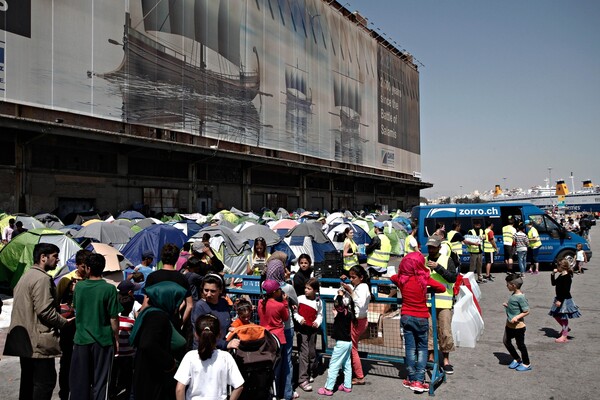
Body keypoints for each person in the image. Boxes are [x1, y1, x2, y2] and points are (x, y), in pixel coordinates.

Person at [3, 243, 71, 400]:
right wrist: (64, 322)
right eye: (55, 256)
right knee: (44, 382)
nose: (57, 260)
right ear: (43, 257)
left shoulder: (27, 275)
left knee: (28, 382)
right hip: (38, 341)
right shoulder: (42, 279)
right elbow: (45, 310)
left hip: (26, 341)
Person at [390, 252, 446, 393]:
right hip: (421, 317)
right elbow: (442, 288)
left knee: (410, 349)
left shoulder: (401, 279)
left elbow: (392, 277)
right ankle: (419, 380)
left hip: (406, 316)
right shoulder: (423, 278)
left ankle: (410, 377)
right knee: (422, 349)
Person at [69, 253, 121, 400]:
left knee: (80, 382)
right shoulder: (109, 289)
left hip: (81, 340)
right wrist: (116, 338)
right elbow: (113, 317)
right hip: (103, 341)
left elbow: (76, 309)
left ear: (88, 268)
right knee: (101, 382)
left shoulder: (79, 287)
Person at [130, 280, 188, 400]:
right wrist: (169, 363)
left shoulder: (151, 313)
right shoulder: (157, 317)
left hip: (148, 375)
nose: (178, 304)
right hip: (153, 377)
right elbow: (148, 344)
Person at [175, 315, 244, 400]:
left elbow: (179, 389)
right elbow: (239, 386)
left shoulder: (190, 357)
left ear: (196, 335)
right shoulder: (226, 357)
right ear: (219, 334)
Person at [56, 249, 92, 400]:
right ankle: (64, 392)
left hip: (86, 327)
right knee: (67, 361)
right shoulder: (67, 280)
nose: (86, 270)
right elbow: (56, 302)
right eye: (84, 267)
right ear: (77, 265)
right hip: (69, 327)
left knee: (84, 361)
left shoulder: (92, 278)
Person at [266, 258, 299, 400]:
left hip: (270, 330)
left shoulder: (265, 287)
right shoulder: (287, 288)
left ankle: (273, 391)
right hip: (286, 328)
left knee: (274, 361)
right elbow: (296, 303)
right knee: (287, 360)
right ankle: (287, 392)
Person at [425, 234, 458, 374]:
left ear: (439, 247)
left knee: (445, 331)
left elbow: (452, 278)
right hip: (427, 302)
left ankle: (446, 360)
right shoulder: (424, 261)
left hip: (444, 302)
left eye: (433, 247)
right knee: (429, 330)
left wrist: (438, 267)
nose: (431, 250)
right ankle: (431, 358)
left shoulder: (446, 260)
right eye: (429, 247)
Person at [144, 243, 193, 332]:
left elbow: (146, 303)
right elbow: (190, 305)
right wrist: (181, 323)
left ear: (162, 257)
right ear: (176, 258)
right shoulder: (182, 278)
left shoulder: (152, 277)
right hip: (173, 322)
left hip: (154, 321)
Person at [258, 279, 291, 399]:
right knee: (277, 367)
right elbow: (286, 317)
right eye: (278, 290)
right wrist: (285, 302)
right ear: (274, 292)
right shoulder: (280, 305)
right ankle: (276, 393)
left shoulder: (261, 302)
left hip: (264, 337)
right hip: (278, 338)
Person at [317, 291, 353, 396]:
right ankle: (347, 385)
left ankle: (328, 388)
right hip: (348, 342)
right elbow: (342, 306)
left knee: (334, 365)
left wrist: (340, 295)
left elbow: (339, 304)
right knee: (346, 364)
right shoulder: (349, 313)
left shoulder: (339, 314)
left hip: (341, 344)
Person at [191, 274, 238, 351]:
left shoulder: (223, 303)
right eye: (206, 290)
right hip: (205, 351)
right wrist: (225, 344)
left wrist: (230, 328)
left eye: (213, 291)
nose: (208, 294)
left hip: (222, 350)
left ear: (220, 290)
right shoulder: (199, 307)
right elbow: (202, 334)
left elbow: (225, 322)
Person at [340, 265, 370, 385]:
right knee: (352, 347)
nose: (351, 280)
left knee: (353, 348)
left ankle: (359, 375)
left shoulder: (363, 287)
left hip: (358, 321)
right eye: (350, 277)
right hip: (357, 320)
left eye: (353, 277)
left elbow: (361, 303)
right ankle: (353, 372)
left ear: (361, 277)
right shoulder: (358, 286)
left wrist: (350, 291)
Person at [109, 281, 137, 400]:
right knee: (128, 376)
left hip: (116, 354)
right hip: (128, 355)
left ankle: (111, 393)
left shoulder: (114, 320)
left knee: (113, 375)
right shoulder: (132, 322)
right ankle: (128, 394)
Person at [295, 278, 323, 392]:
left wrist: (318, 322)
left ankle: (310, 372)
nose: (306, 290)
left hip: (312, 330)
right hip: (302, 330)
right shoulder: (300, 299)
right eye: (305, 288)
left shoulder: (318, 301)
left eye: (309, 288)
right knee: (304, 354)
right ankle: (302, 379)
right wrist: (300, 318)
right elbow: (295, 312)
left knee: (312, 353)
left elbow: (320, 314)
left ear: (315, 290)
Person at [503, 273, 532, 371]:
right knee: (506, 341)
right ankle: (516, 358)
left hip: (518, 326)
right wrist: (508, 306)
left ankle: (526, 363)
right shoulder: (514, 294)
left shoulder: (520, 297)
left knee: (520, 345)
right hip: (509, 325)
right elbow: (516, 307)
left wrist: (516, 317)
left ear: (513, 285)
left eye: (508, 284)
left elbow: (526, 311)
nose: (506, 286)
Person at [549, 260, 581, 343]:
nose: (556, 268)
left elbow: (566, 291)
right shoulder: (561, 275)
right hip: (559, 298)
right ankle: (566, 328)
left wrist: (560, 300)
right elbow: (553, 283)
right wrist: (553, 274)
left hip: (564, 300)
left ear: (561, 267)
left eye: (557, 266)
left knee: (564, 317)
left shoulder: (567, 277)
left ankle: (564, 336)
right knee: (555, 315)